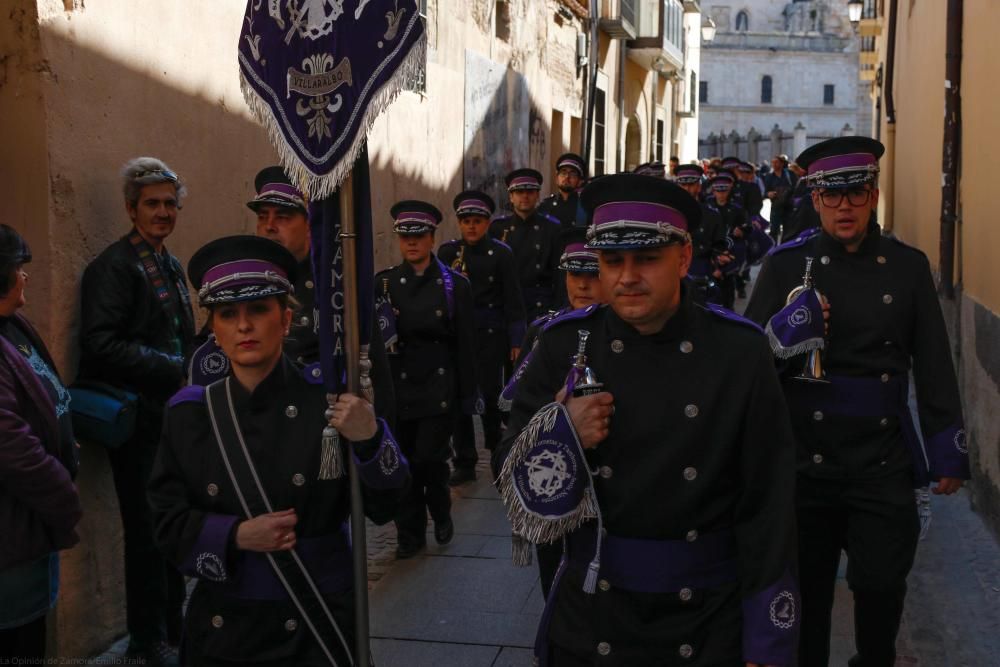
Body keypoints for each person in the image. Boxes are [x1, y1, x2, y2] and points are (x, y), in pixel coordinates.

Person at [495, 174, 799, 666]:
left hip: (704, 616)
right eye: (613, 261)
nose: (626, 276)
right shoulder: (562, 343)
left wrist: (766, 634)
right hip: (594, 614)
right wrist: (562, 433)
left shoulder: (739, 352)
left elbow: (769, 501)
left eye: (647, 259)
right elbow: (507, 477)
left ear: (682, 258)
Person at [744, 136, 969, 667]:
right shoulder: (783, 267)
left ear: (873, 196)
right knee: (808, 600)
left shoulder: (907, 267)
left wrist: (948, 448)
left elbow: (934, 360)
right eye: (832, 195)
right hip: (805, 460)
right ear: (815, 198)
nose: (845, 207)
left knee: (882, 586)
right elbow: (746, 363)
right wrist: (783, 330)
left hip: (882, 459)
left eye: (857, 194)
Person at [149, 235, 408, 667]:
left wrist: (370, 438)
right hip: (225, 629)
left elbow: (390, 505)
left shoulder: (330, 404)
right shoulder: (190, 415)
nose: (244, 326)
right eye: (228, 314)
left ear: (286, 320)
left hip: (316, 620)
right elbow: (164, 522)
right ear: (213, 328)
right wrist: (234, 535)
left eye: (259, 310)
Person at [78, 157, 195, 665]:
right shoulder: (114, 266)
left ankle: (174, 624)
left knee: (171, 525)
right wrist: (172, 366)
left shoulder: (168, 262)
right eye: (152, 203)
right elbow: (101, 344)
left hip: (170, 417)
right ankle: (149, 640)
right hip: (139, 421)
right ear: (131, 208)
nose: (163, 212)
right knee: (147, 532)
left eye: (170, 203)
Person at [496, 234, 605, 601]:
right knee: (556, 592)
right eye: (574, 274)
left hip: (608, 499)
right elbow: (516, 425)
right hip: (553, 484)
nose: (582, 283)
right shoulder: (545, 332)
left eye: (592, 273)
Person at [377, 201, 479, 559]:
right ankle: (410, 534)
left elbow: (466, 345)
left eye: (419, 236)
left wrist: (468, 397)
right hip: (400, 387)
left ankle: (440, 510)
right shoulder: (385, 283)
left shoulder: (455, 286)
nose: (412, 243)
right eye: (406, 237)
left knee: (429, 460)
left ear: (432, 238)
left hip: (438, 387)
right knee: (404, 463)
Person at [0, 225, 82, 662]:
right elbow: (10, 445)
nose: (24, 277)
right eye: (17, 268)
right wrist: (63, 494)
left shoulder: (13, 326)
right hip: (11, 535)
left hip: (30, 532)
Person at [438, 190, 525, 484]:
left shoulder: (501, 254)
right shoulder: (448, 254)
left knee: (489, 396)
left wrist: (516, 340)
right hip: (457, 336)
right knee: (459, 396)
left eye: (477, 221)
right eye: (465, 221)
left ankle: (496, 452)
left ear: (487, 223)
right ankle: (464, 460)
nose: (471, 226)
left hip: (490, 335)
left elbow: (513, 299)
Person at [248, 166, 318, 364]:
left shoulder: (334, 282)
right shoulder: (248, 279)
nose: (269, 226)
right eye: (262, 217)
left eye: (282, 217)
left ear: (309, 225)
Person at [490, 169, 563, 321]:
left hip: (540, 306)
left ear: (537, 195)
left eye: (530, 191)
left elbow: (559, 274)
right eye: (519, 192)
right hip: (507, 305)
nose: (525, 196)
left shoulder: (552, 228)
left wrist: (557, 310)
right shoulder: (497, 228)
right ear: (511, 196)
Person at [675, 164, 728, 305]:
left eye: (691, 184)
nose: (686, 189)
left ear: (698, 186)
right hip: (672, 271)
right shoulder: (669, 214)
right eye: (682, 184)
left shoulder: (711, 215)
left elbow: (720, 244)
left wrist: (719, 260)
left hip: (702, 273)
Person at [705, 170, 751, 309]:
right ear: (713, 191)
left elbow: (748, 227)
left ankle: (728, 314)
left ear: (729, 191)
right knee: (709, 292)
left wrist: (741, 231)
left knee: (727, 291)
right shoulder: (706, 207)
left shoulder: (736, 208)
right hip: (710, 253)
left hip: (730, 253)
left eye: (724, 191)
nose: (721, 194)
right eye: (718, 191)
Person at [538, 153, 586, 230]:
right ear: (557, 179)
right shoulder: (545, 206)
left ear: (580, 181)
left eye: (573, 174)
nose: (567, 177)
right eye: (563, 173)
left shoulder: (585, 206)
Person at [763, 154, 798, 243]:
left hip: (789, 207)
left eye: (776, 162)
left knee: (788, 230)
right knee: (774, 230)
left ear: (782, 164)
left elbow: (796, 187)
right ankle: (772, 249)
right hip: (776, 207)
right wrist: (769, 194)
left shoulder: (790, 174)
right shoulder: (769, 177)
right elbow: (765, 192)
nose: (774, 164)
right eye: (773, 162)